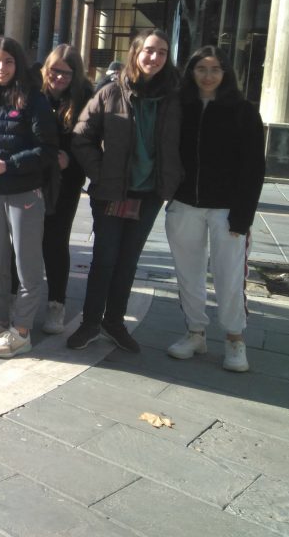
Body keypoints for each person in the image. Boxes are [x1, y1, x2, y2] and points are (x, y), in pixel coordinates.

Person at [69, 29, 182, 352]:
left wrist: (173, 179)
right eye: (149, 50)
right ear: (136, 52)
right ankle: (91, 322)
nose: (154, 57)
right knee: (105, 259)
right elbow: (81, 136)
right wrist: (101, 173)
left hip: (149, 195)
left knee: (128, 261)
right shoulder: (110, 92)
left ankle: (114, 322)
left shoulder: (174, 99)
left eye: (162, 52)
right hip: (112, 193)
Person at [165, 46, 264, 372]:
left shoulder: (243, 111)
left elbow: (254, 167)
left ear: (225, 73)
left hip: (227, 210)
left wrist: (243, 216)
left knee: (230, 277)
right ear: (191, 72)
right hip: (184, 205)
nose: (208, 76)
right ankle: (195, 333)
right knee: (188, 274)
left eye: (215, 69)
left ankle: (235, 339)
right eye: (201, 69)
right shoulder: (180, 107)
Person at [0, 37, 58, 359]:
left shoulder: (34, 99)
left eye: (7, 61)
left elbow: (47, 150)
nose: (0, 68)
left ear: (18, 63)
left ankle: (21, 332)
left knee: (27, 266)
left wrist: (9, 164)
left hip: (24, 194)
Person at [39, 44, 93, 335]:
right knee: (22, 242)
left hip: (66, 181)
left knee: (55, 242)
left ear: (76, 75)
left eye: (66, 73)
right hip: (32, 178)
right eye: (54, 71)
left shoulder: (85, 99)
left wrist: (70, 159)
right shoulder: (34, 92)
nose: (59, 77)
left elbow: (91, 142)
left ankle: (56, 303)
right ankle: (15, 299)